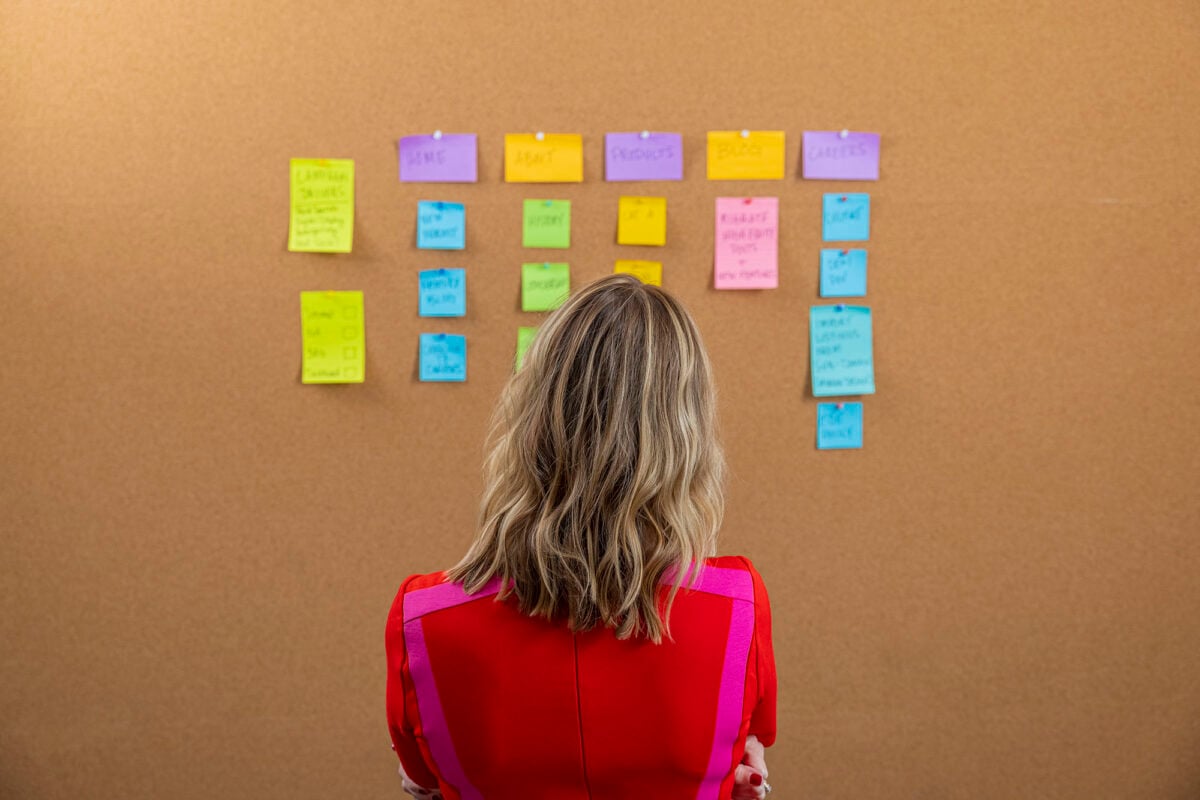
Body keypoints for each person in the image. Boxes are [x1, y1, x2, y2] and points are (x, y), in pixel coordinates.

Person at [385, 274, 776, 799]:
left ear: (531, 418)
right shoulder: (738, 606)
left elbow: (422, 776)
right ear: (687, 435)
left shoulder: (421, 618)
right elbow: (748, 751)